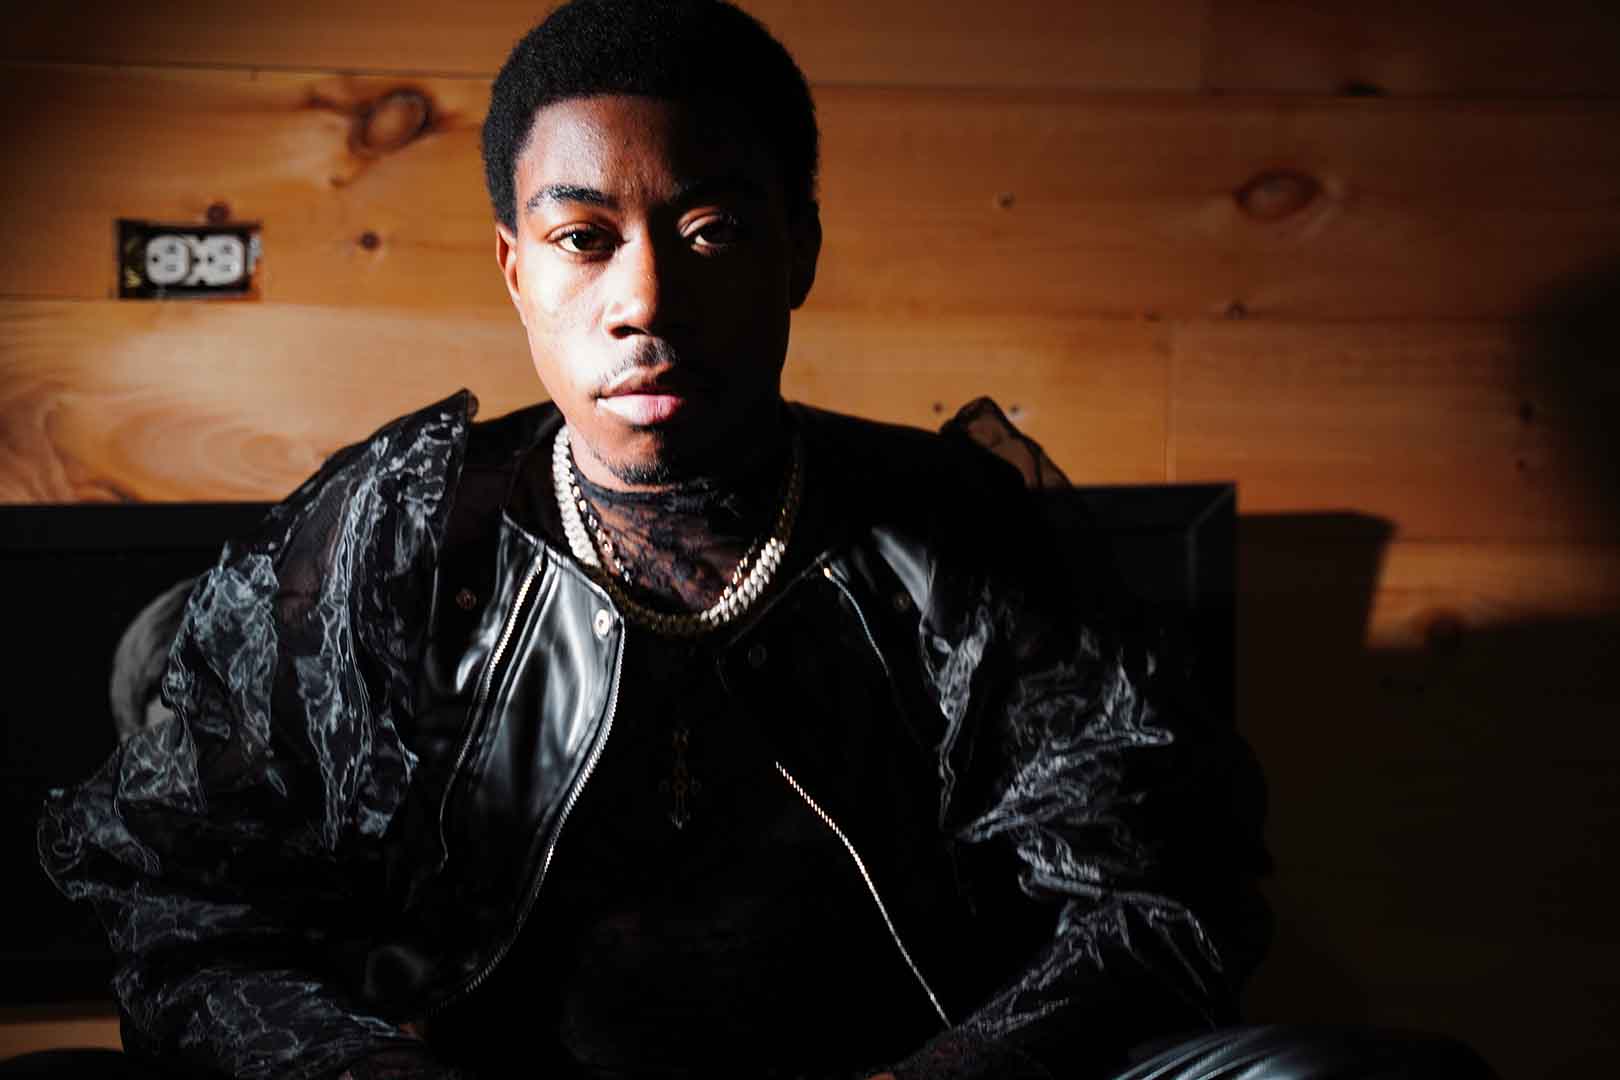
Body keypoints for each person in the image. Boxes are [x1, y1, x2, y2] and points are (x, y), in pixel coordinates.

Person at [33, 3, 1497, 1079]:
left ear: (799, 248)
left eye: (713, 230)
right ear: (517, 269)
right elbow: (190, 916)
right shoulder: (394, 540)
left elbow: (1158, 902)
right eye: (585, 237)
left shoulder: (959, 535)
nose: (643, 300)